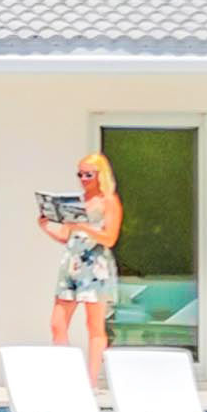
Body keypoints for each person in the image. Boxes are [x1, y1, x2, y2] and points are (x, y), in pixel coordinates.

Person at [38, 151, 124, 389]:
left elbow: (110, 238)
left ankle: (91, 382)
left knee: (94, 326)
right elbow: (67, 236)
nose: (83, 178)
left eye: (88, 174)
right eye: (80, 174)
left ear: (100, 175)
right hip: (72, 265)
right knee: (57, 323)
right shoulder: (76, 201)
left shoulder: (109, 201)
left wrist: (85, 228)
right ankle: (65, 379)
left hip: (95, 266)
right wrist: (46, 227)